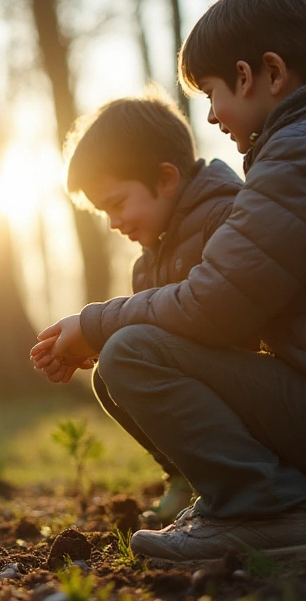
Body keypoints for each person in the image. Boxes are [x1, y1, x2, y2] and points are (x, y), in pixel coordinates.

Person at [31, 0, 306, 562]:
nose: (211, 115)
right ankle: (284, 508)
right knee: (131, 348)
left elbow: (215, 306)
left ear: (262, 74)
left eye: (213, 93)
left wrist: (94, 324)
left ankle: (263, 511)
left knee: (133, 353)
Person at [62, 89, 243, 523]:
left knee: (124, 352)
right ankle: (184, 476)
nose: (114, 222)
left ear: (165, 179)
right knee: (111, 370)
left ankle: (237, 484)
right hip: (205, 384)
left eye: (117, 203)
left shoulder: (228, 219)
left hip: (248, 389)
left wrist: (111, 332)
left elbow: (225, 318)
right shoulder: (148, 263)